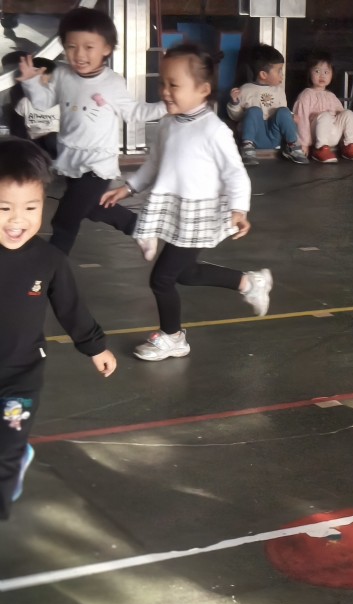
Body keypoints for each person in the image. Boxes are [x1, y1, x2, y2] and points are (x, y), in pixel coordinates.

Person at [100, 44, 272, 362]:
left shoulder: (214, 130)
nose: (165, 91)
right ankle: (249, 282)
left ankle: (173, 337)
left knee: (162, 278)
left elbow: (235, 173)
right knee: (186, 273)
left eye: (174, 85)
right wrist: (128, 189)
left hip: (199, 215)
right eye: (162, 83)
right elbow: (154, 164)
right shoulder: (168, 124)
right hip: (175, 212)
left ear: (203, 89)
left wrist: (239, 209)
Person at [0, 139, 116, 518]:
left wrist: (95, 346)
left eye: (30, 208)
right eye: (4, 208)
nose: (17, 220)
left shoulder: (48, 260)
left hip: (20, 375)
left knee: (6, 448)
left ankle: (8, 479)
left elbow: (70, 307)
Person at [16, 6, 166, 255]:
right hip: (71, 159)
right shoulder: (62, 75)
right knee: (91, 206)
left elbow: (134, 112)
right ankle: (138, 226)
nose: (79, 54)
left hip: (98, 164)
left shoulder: (112, 82)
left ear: (106, 48)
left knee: (65, 220)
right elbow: (43, 102)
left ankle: (52, 267)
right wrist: (32, 82)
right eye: (71, 46)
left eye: (88, 47)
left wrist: (166, 106)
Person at [227, 43, 308, 167]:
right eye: (279, 71)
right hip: (255, 135)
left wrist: (291, 116)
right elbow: (236, 116)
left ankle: (292, 146)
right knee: (254, 111)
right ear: (263, 75)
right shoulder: (246, 90)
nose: (282, 75)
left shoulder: (279, 91)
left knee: (283, 111)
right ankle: (247, 147)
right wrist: (234, 102)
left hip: (274, 136)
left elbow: (282, 114)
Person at [292, 52, 353, 163]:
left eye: (326, 72)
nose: (322, 76)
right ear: (309, 73)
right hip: (316, 136)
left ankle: (349, 145)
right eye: (317, 71)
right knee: (325, 116)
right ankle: (320, 149)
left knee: (348, 113)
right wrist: (304, 144)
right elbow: (301, 121)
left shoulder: (331, 96)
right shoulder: (306, 95)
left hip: (333, 135)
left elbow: (342, 117)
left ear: (331, 75)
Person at [1, 53, 59, 159]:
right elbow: (17, 129)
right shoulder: (23, 103)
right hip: (35, 143)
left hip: (57, 142)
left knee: (52, 139)